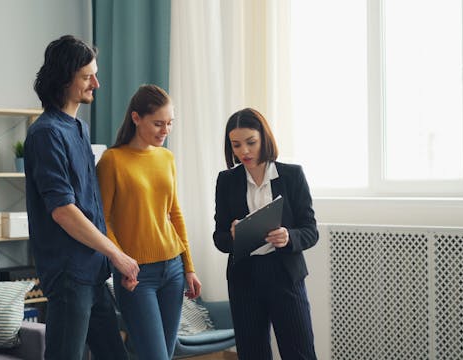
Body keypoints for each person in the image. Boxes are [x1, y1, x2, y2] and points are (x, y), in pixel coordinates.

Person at [25, 35, 139, 360]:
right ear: (65, 78)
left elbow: (90, 206)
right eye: (88, 76)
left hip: (92, 272)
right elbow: (63, 211)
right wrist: (117, 255)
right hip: (68, 275)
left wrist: (112, 261)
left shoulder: (79, 128)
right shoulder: (46, 133)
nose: (97, 84)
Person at [96, 84, 202, 360]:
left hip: (173, 269)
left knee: (165, 355)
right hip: (136, 276)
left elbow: (175, 214)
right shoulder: (112, 160)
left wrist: (189, 267)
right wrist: (122, 263)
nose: (165, 130)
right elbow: (102, 220)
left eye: (169, 123)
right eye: (158, 123)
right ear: (136, 118)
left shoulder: (166, 158)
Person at [213, 108, 319, 359]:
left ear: (264, 138)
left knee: (300, 352)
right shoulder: (227, 180)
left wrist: (288, 236)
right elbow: (219, 239)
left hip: (284, 273)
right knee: (252, 353)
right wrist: (233, 235)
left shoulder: (291, 175)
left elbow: (310, 231)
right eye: (236, 145)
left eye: (251, 142)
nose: (244, 152)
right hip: (245, 277)